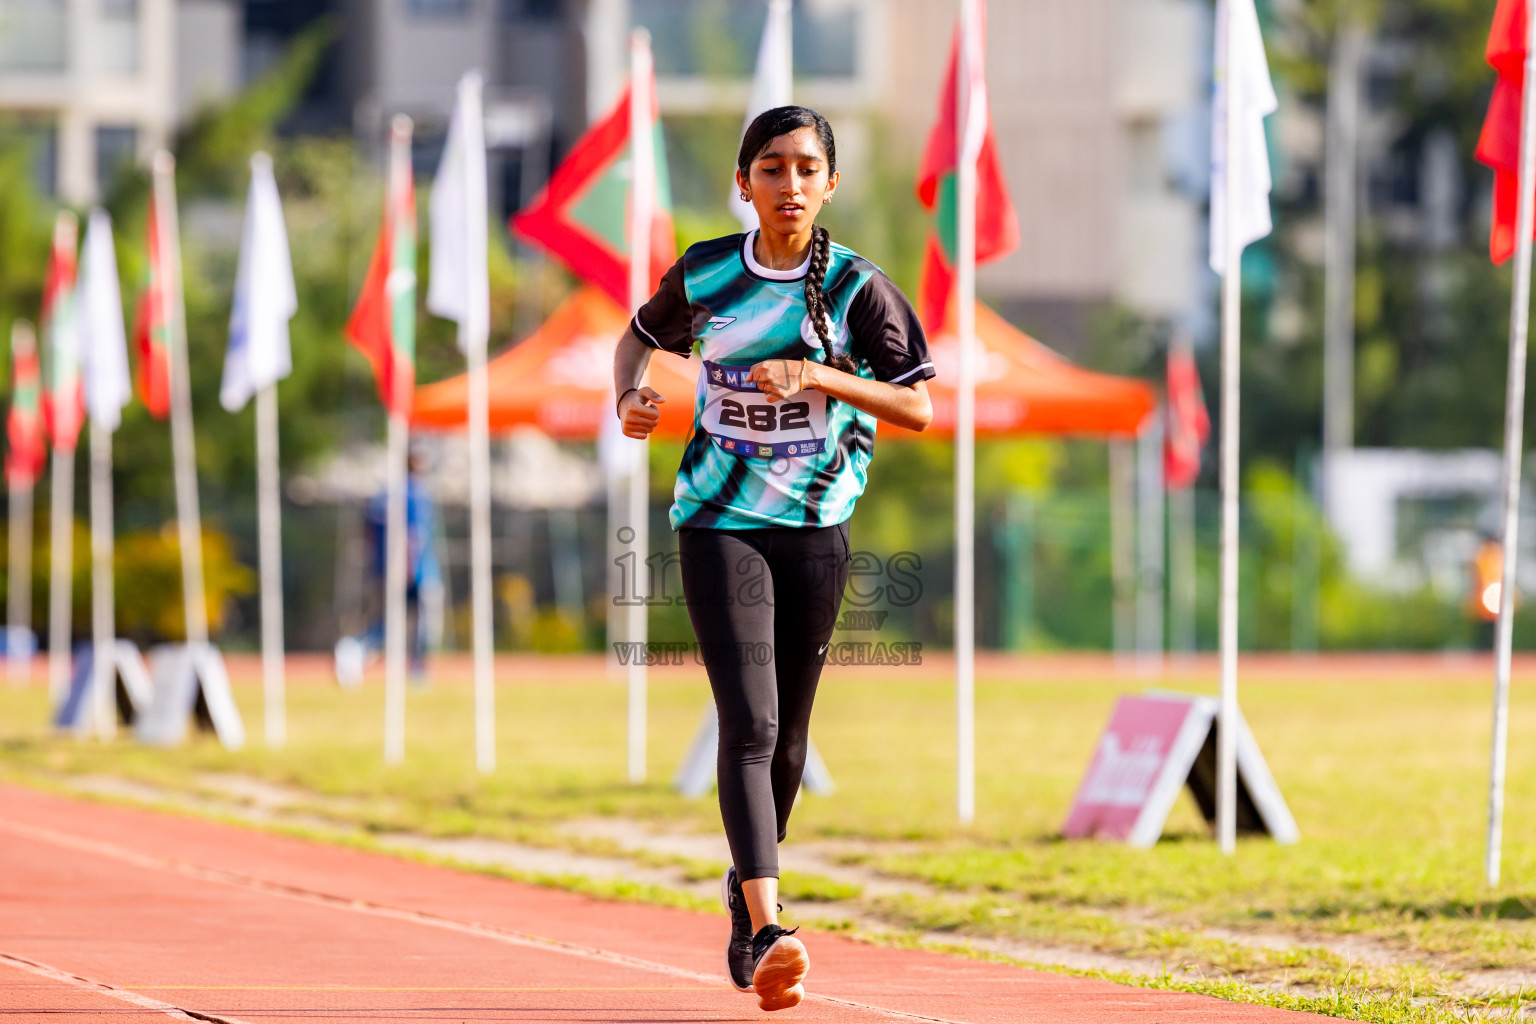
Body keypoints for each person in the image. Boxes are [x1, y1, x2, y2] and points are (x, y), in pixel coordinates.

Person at [613, 106, 934, 1011]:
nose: (787, 185)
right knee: (747, 725)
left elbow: (917, 412)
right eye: (769, 168)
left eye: (804, 169)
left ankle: (743, 900)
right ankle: (768, 925)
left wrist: (819, 375)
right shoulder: (710, 270)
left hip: (815, 530)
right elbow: (637, 338)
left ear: (828, 183)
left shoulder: (860, 291)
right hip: (717, 521)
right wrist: (631, 398)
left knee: (790, 737)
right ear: (744, 182)